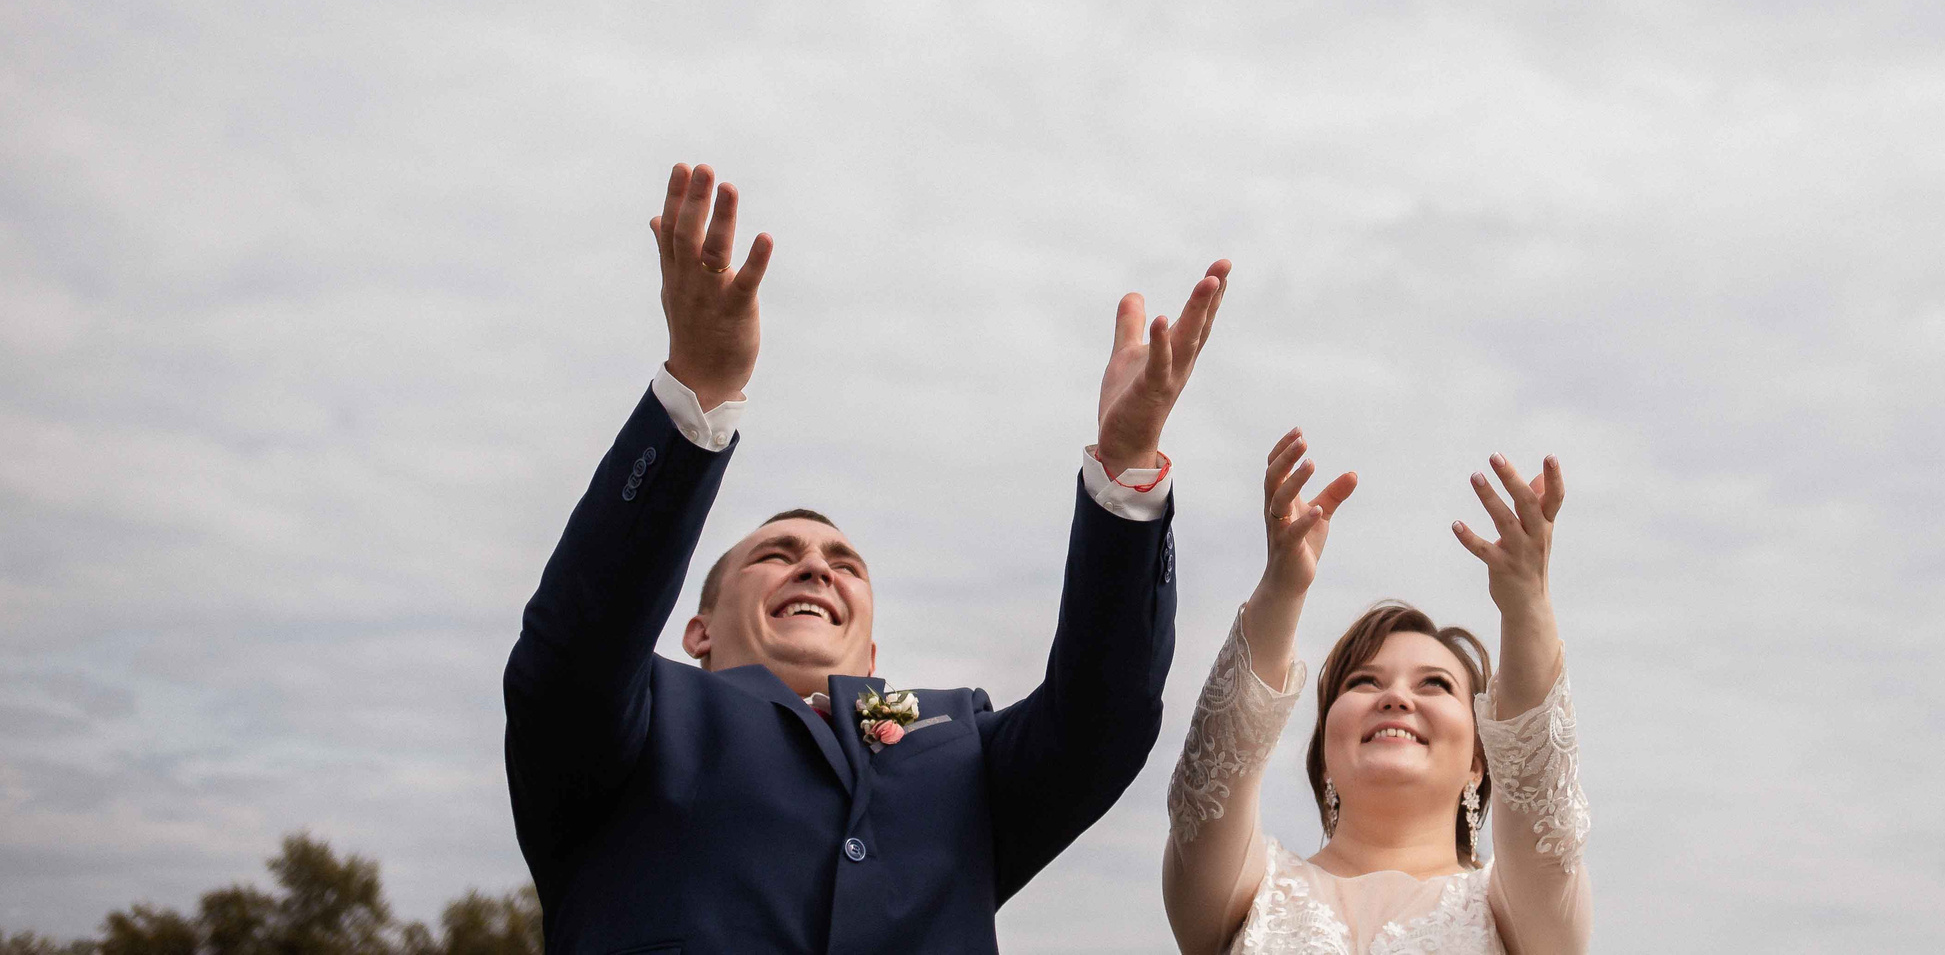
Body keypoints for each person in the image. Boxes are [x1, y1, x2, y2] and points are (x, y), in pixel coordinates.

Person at [505, 162, 1225, 955]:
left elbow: (1102, 720)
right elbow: (575, 647)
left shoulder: (958, 740)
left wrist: (1126, 469)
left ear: (874, 654)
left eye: (845, 565)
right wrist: (697, 392)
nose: (816, 568)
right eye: (776, 554)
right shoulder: (638, 719)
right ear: (698, 630)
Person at [1161, 429, 1592, 954]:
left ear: (1481, 761)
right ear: (1323, 753)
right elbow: (1210, 783)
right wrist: (1282, 587)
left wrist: (1527, 602)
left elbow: (1538, 798)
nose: (1396, 699)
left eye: (1435, 684)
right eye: (1364, 682)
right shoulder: (1247, 892)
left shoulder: (1521, 913)